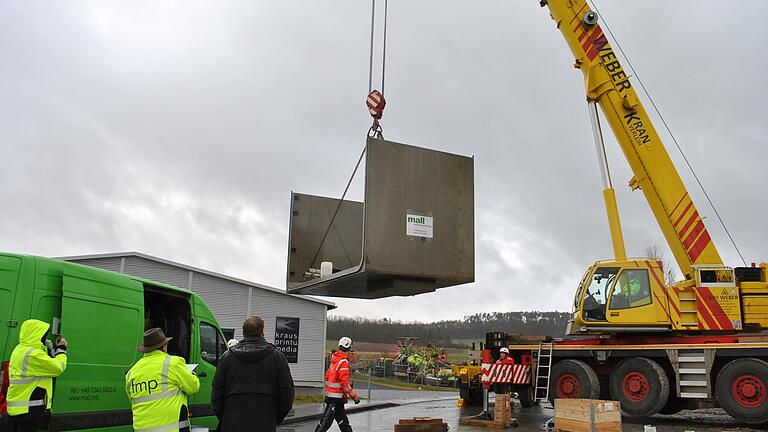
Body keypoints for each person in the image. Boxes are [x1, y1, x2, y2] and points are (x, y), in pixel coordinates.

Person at [212, 316, 294, 432]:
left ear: (243, 333)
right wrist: (275, 418)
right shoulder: (277, 357)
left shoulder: (227, 357)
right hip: (265, 422)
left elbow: (216, 394)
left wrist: (225, 417)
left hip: (232, 423)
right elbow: (286, 394)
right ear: (262, 332)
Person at [125, 328, 200, 432]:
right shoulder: (173, 363)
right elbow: (193, 387)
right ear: (164, 347)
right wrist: (191, 375)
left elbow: (133, 398)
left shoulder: (132, 371)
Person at [4, 319, 68, 432]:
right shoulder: (33, 354)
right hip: (30, 409)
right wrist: (61, 350)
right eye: (44, 335)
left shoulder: (20, 349)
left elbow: (42, 364)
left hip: (18, 408)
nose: (46, 337)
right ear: (37, 335)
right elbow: (58, 367)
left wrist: (48, 348)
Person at [314, 337, 360, 432]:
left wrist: (329, 392)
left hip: (334, 398)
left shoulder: (334, 361)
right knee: (325, 424)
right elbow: (344, 384)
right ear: (349, 348)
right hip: (336, 399)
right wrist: (354, 396)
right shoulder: (343, 363)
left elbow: (327, 378)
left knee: (343, 424)